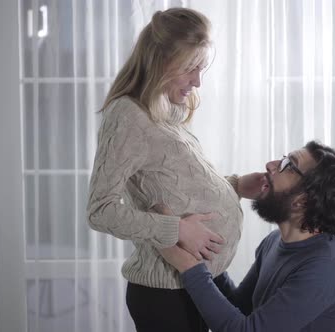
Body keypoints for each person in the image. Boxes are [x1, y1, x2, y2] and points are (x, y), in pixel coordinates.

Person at [86, 8, 248, 332]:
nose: (197, 81)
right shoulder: (128, 116)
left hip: (191, 286)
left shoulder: (162, 110)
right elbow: (99, 211)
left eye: (201, 68)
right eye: (190, 68)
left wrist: (237, 186)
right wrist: (178, 229)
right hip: (165, 295)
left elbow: (174, 188)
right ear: (159, 61)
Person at [160, 141, 335, 332]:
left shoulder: (325, 269)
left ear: (302, 201)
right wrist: (204, 251)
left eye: (289, 166)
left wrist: (189, 266)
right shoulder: (274, 241)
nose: (271, 165)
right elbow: (240, 305)